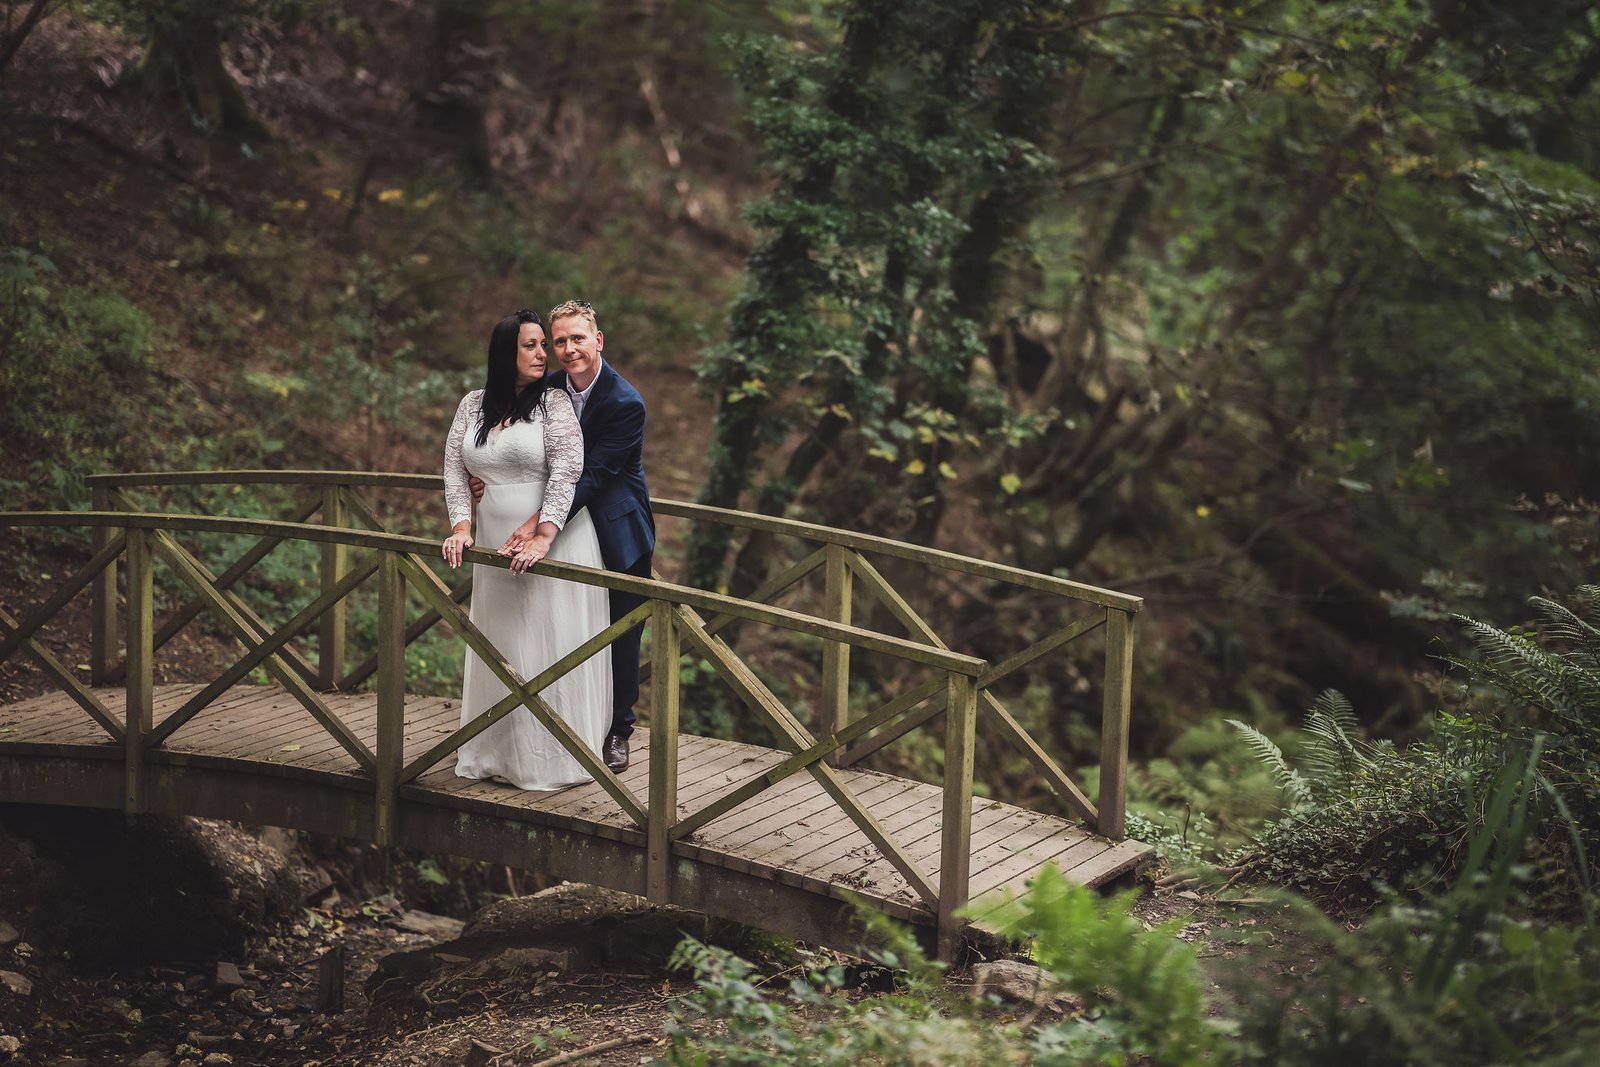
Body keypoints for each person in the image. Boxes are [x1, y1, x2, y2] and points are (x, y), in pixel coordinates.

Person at [473, 299, 654, 772]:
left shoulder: (625, 403)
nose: (569, 349)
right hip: (561, 527)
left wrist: (538, 522)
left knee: (620, 630)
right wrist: (483, 477)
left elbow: (591, 475)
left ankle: (618, 729)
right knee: (558, 623)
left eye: (578, 339)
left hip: (615, 528)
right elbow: (509, 442)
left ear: (598, 341)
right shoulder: (547, 388)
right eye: (560, 342)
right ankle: (547, 722)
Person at [441, 309, 612, 790]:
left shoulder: (554, 403)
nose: (544, 355)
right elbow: (455, 470)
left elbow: (567, 470)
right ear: (505, 353)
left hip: (554, 541)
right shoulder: (472, 405)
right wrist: (460, 527)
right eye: (531, 346)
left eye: (544, 345)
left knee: (549, 642)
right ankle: (494, 750)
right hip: (493, 540)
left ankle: (556, 756)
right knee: (503, 642)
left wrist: (544, 534)